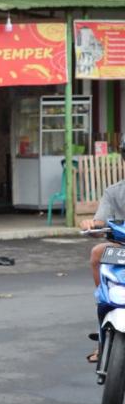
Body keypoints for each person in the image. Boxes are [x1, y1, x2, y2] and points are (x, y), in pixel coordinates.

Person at [80, 134, 125, 363]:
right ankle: (104, 300)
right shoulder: (114, 191)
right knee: (98, 252)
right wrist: (91, 224)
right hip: (121, 247)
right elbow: (100, 222)